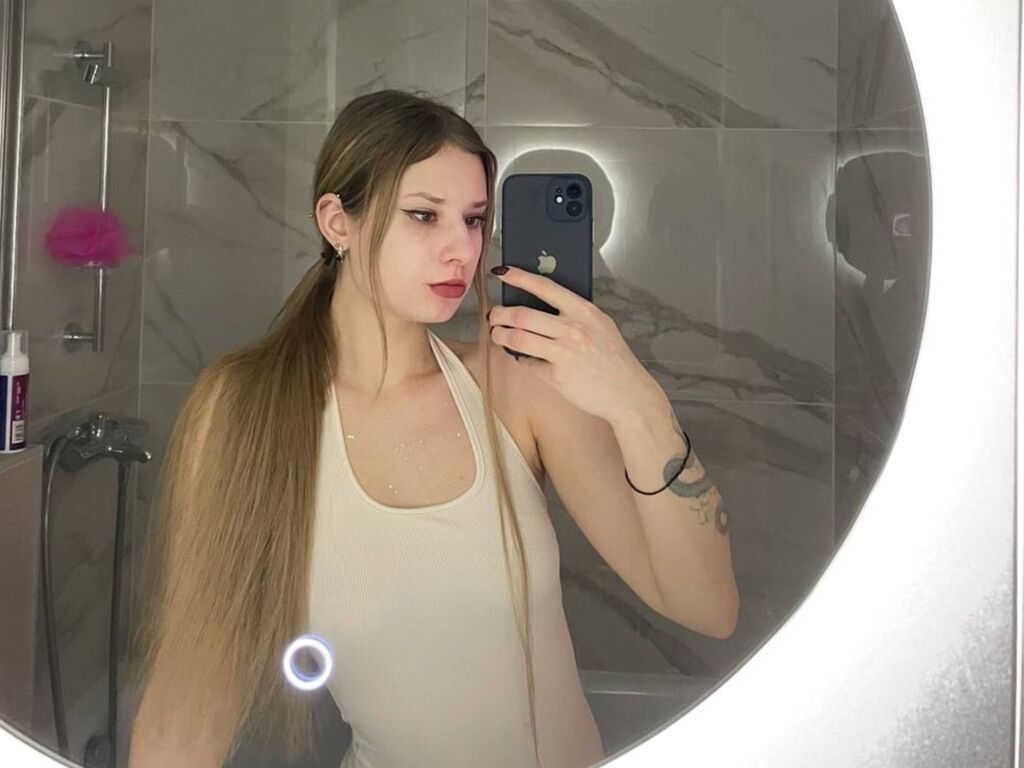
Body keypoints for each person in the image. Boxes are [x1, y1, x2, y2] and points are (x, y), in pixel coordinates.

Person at [126, 88, 608, 768]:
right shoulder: (246, 411)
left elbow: (701, 600)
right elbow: (187, 712)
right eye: (424, 215)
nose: (463, 249)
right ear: (337, 222)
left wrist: (629, 395)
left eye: (474, 220)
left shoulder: (511, 387)